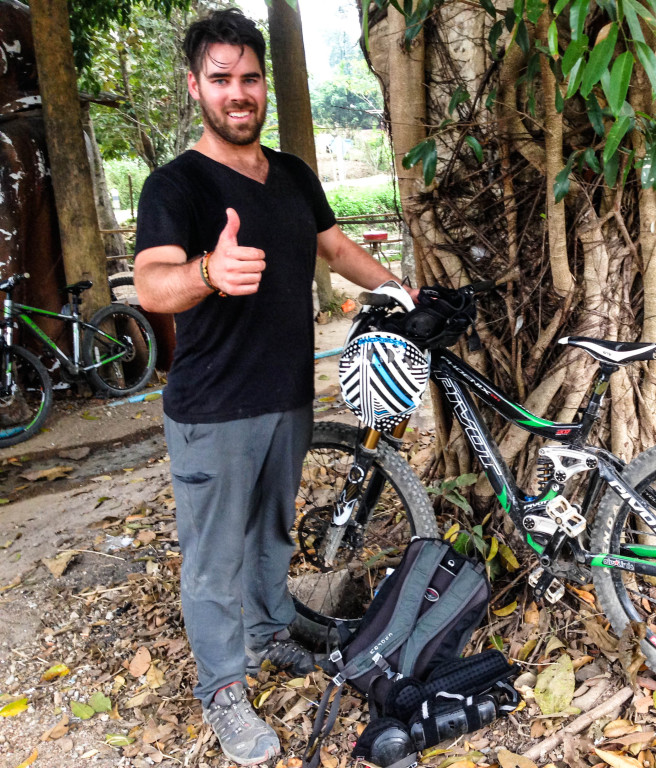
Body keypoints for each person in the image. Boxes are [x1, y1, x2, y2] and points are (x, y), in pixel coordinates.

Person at [133, 9, 410, 765]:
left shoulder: (291, 175)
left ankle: (264, 637)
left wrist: (402, 291)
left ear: (263, 85)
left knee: (272, 536)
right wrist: (204, 273)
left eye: (249, 78)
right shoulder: (177, 185)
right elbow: (153, 283)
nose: (238, 93)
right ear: (196, 87)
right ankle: (223, 687)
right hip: (213, 407)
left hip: (285, 396)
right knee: (214, 557)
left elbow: (338, 247)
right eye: (220, 79)